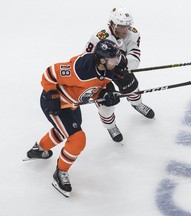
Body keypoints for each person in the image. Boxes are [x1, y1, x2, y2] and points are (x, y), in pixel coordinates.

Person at [25, 39, 123, 198]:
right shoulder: (80, 70)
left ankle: (40, 149)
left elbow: (97, 88)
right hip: (55, 104)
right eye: (113, 59)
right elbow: (50, 73)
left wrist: (107, 94)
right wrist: (52, 95)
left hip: (72, 103)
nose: (116, 62)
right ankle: (60, 172)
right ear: (102, 60)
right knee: (77, 139)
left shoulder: (107, 69)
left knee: (66, 132)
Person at [84, 7, 155, 142]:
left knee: (132, 87)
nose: (125, 30)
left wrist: (121, 62)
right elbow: (86, 58)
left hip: (119, 67)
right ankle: (111, 127)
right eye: (121, 26)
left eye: (127, 26)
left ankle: (137, 104)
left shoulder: (133, 34)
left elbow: (134, 61)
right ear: (112, 24)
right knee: (106, 105)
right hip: (101, 71)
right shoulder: (99, 36)